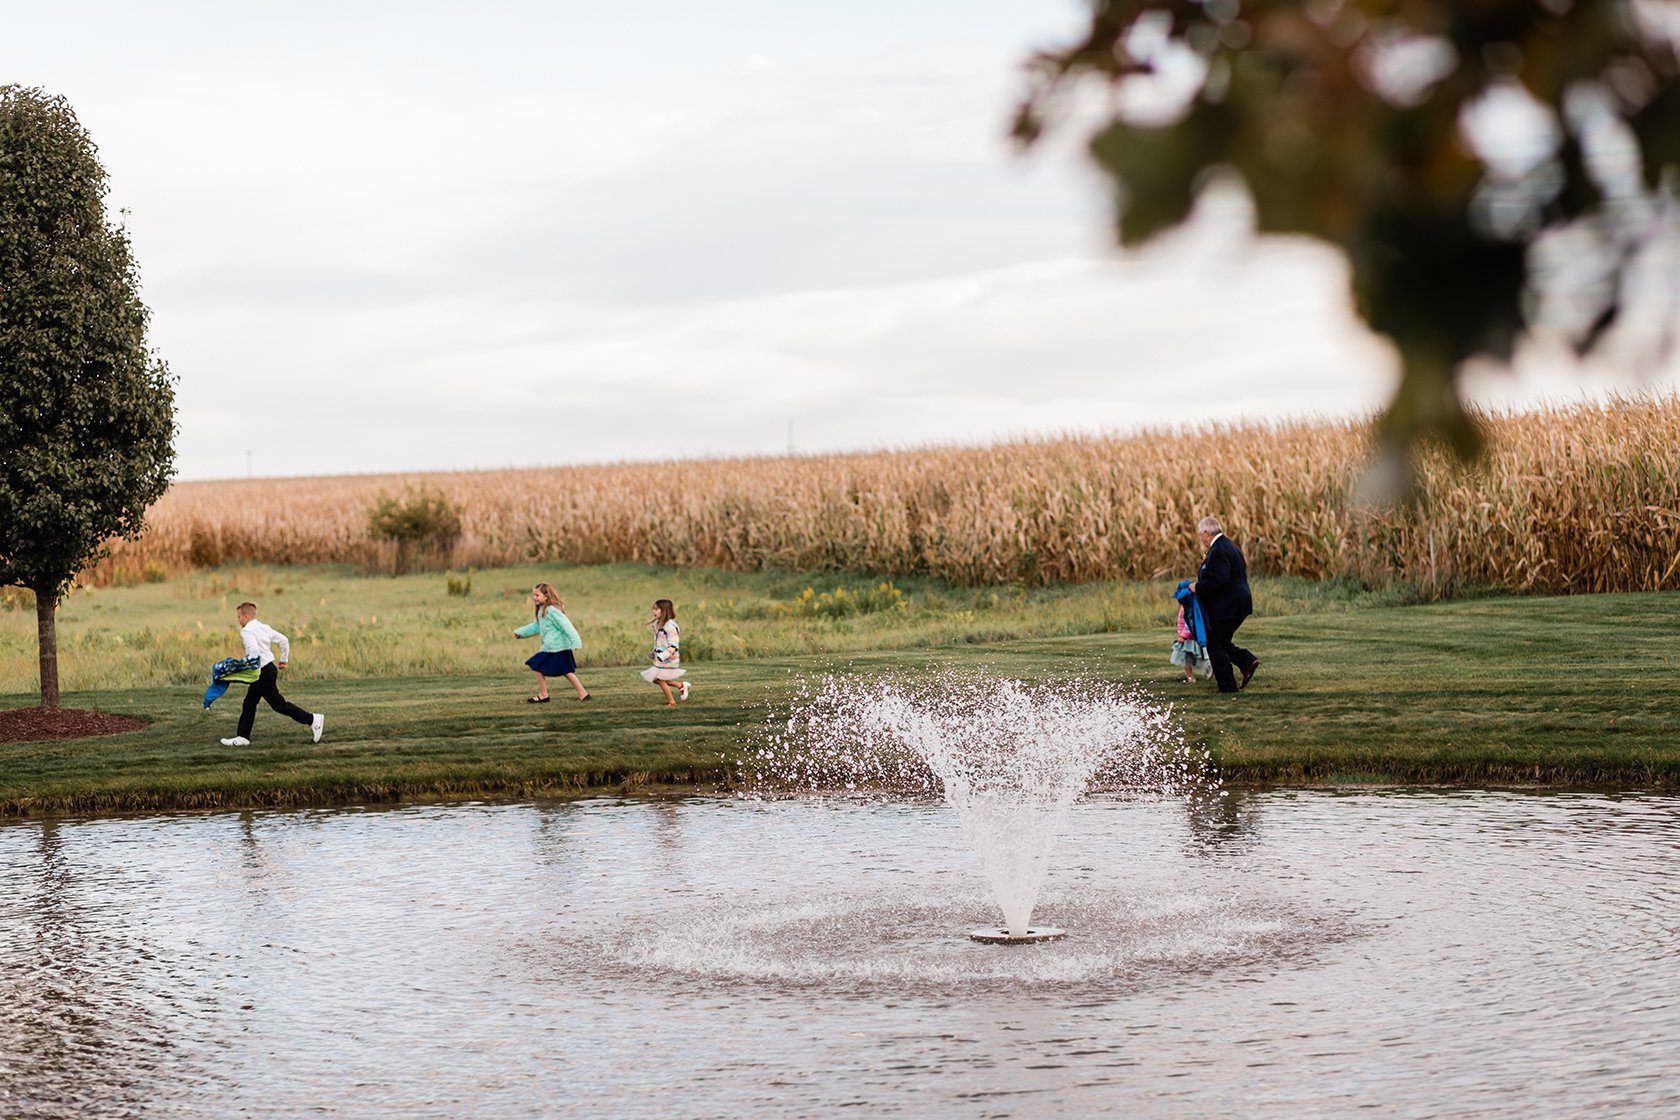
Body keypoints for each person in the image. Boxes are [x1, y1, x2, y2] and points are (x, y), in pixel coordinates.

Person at [220, 602, 323, 746]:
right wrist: (283, 660)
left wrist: (242, 665)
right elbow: (284, 640)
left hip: (261, 671)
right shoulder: (264, 627)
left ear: (246, 616)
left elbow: (254, 652)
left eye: (239, 617)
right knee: (249, 702)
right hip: (269, 668)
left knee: (278, 704)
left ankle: (312, 719)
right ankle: (242, 737)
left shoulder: (247, 631)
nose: (238, 620)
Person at [1188, 515, 1259, 694]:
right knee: (1221, 641)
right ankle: (1246, 662)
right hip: (1238, 603)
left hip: (1229, 606)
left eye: (1200, 535)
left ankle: (1227, 686)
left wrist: (1197, 587)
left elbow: (1219, 580)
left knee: (1214, 642)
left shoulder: (1218, 550)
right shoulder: (1228, 546)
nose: (1201, 539)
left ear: (1206, 533)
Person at [512, 582, 590, 702]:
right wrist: (520, 633)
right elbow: (536, 627)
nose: (534, 598)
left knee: (536, 665)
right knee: (566, 671)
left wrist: (575, 642)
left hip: (556, 647)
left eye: (537, 595)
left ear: (546, 596)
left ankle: (544, 695)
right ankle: (583, 693)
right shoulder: (542, 611)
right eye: (533, 595)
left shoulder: (552, 611)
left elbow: (566, 626)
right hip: (553, 647)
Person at [640, 598, 689, 706]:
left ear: (665, 611)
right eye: (653, 609)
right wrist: (654, 653)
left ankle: (672, 702)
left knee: (659, 679)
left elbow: (673, 646)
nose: (654, 611)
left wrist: (663, 656)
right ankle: (680, 685)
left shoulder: (670, 627)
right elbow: (659, 642)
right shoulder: (658, 624)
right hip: (660, 658)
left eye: (657, 609)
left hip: (668, 659)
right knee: (656, 679)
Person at [1170, 579, 1211, 683]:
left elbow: (1190, 625)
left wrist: (1183, 636)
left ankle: (1208, 669)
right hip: (1186, 637)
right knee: (1187, 659)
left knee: (1196, 657)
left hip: (1190, 638)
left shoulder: (1190, 609)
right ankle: (1190, 676)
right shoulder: (1185, 607)